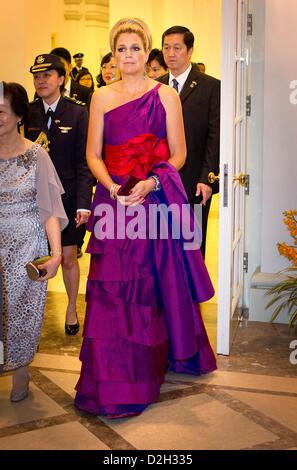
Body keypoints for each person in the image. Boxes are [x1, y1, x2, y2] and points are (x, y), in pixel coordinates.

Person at [74, 17, 216, 419]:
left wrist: (152, 183)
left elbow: (179, 154)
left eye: (136, 48)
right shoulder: (100, 96)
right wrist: (114, 189)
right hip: (114, 202)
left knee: (150, 287)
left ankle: (147, 365)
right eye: (121, 49)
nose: (128, 56)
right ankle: (112, 375)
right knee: (110, 290)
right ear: (113, 53)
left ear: (147, 51)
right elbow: (93, 154)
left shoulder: (166, 96)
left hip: (151, 202)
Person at [0, 82, 68, 401]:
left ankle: (20, 368)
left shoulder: (36, 155)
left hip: (27, 246)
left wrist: (55, 254)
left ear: (16, 115)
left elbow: (50, 209)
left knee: (21, 310)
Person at [24, 54, 94, 335]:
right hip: (33, 199)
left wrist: (83, 204)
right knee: (35, 258)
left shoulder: (78, 113)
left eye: (47, 76)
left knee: (67, 257)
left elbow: (84, 163)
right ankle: (33, 316)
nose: (41, 81)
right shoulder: (26, 113)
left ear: (62, 79)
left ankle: (70, 308)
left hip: (66, 200)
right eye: (36, 76)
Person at [159, 26, 220, 257]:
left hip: (194, 180)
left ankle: (191, 294)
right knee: (163, 245)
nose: (171, 53)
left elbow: (215, 136)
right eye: (166, 47)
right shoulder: (156, 86)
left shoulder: (211, 86)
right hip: (161, 180)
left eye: (177, 48)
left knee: (191, 247)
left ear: (190, 50)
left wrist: (207, 178)